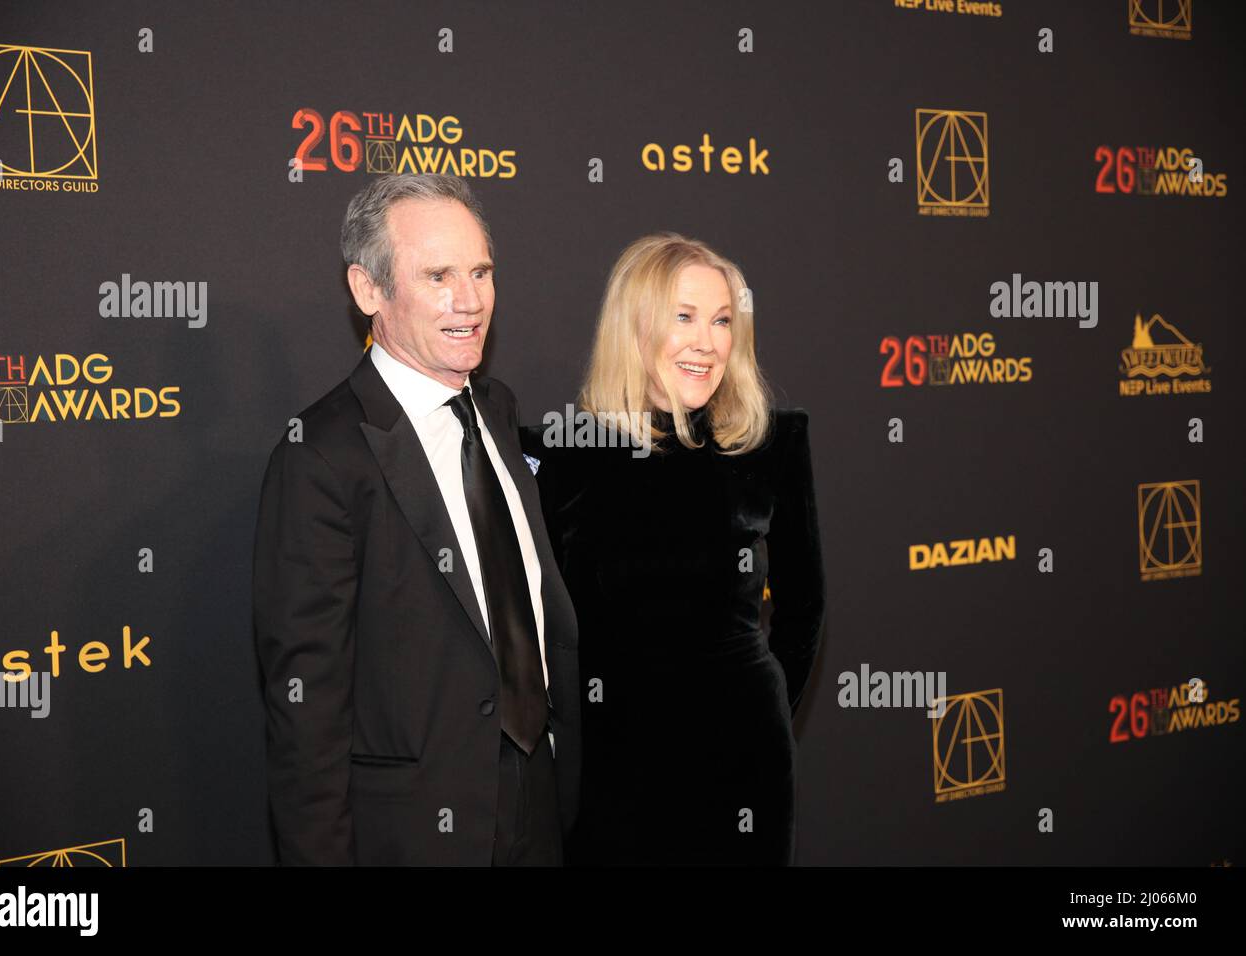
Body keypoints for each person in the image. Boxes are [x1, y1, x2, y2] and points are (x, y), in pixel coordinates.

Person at [253, 173, 580, 865]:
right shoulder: (320, 456)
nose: (471, 300)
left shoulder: (495, 410)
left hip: (540, 809)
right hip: (414, 834)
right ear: (368, 290)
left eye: (481, 272)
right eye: (438, 276)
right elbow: (306, 708)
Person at [521, 233, 825, 865]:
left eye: (721, 321)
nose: (706, 342)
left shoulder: (769, 445)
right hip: (614, 771)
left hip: (743, 766)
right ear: (634, 326)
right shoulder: (573, 454)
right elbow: (545, 626)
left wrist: (759, 708)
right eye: (682, 317)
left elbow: (804, 609)